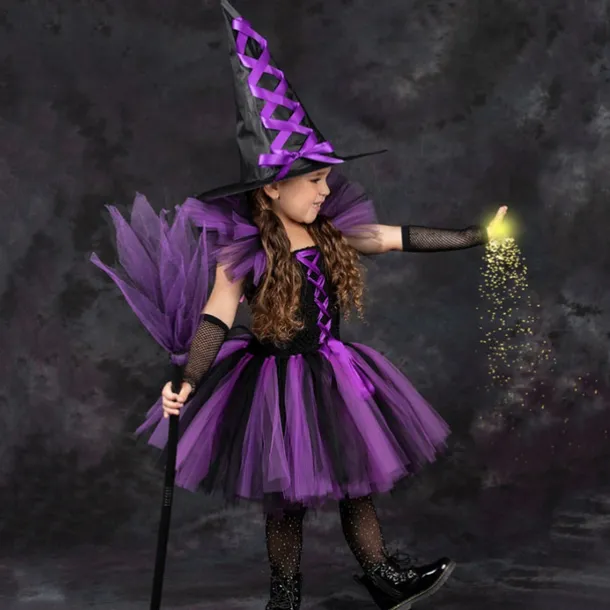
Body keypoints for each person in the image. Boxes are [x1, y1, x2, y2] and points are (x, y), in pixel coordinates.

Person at [136, 2, 508, 609]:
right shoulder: (245, 248)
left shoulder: (332, 229)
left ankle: (382, 576)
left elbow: (393, 236)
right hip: (273, 385)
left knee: (357, 481)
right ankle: (284, 597)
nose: (325, 189)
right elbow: (217, 315)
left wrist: (474, 236)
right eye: (313, 181)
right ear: (272, 187)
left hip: (334, 372)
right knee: (286, 499)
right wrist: (189, 379)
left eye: (326, 179)